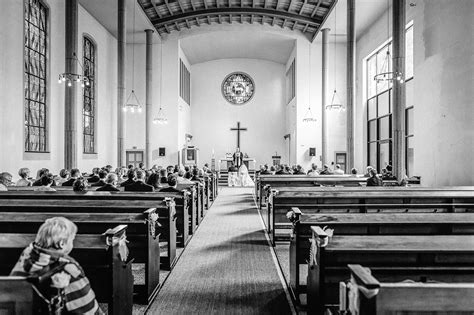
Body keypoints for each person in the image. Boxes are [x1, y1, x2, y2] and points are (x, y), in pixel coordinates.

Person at [10, 217, 102, 314]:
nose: (72, 244)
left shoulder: (26, 257)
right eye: (72, 240)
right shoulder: (68, 268)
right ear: (62, 243)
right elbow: (87, 309)